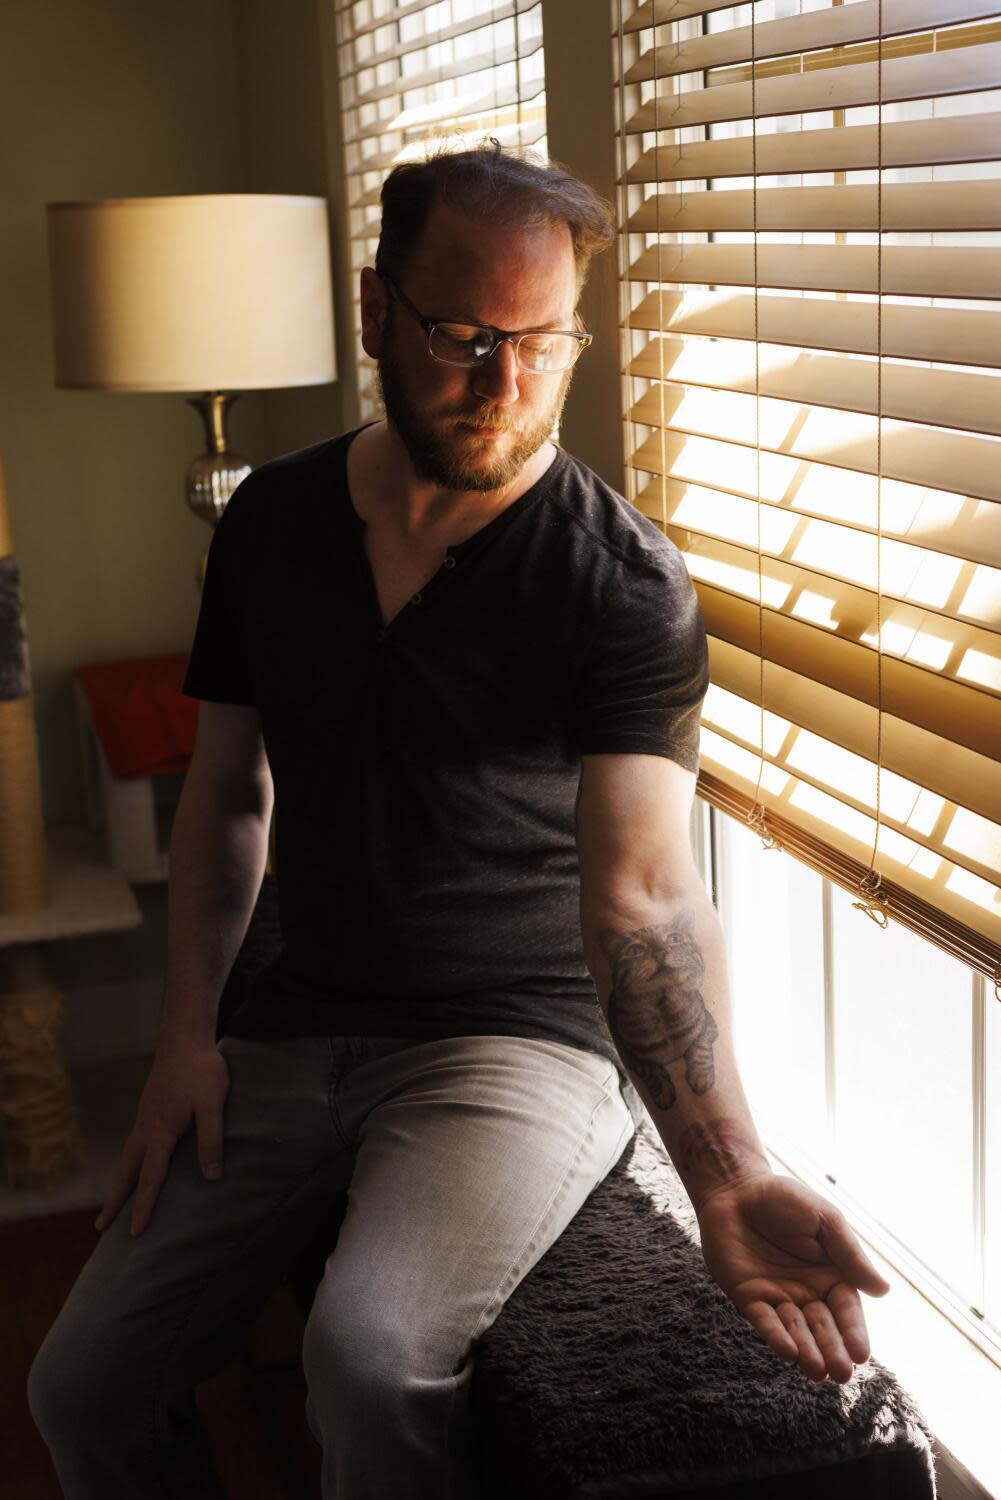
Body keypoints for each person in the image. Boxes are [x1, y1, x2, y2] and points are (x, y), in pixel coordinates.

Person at [28, 143, 890, 1499]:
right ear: (375, 311)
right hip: (290, 1020)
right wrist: (184, 1038)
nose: (502, 385)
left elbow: (647, 898)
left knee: (366, 1357)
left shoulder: (618, 587)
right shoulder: (270, 519)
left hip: (513, 1041)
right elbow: (228, 792)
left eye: (541, 344)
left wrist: (726, 1176)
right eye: (463, 337)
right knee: (75, 1386)